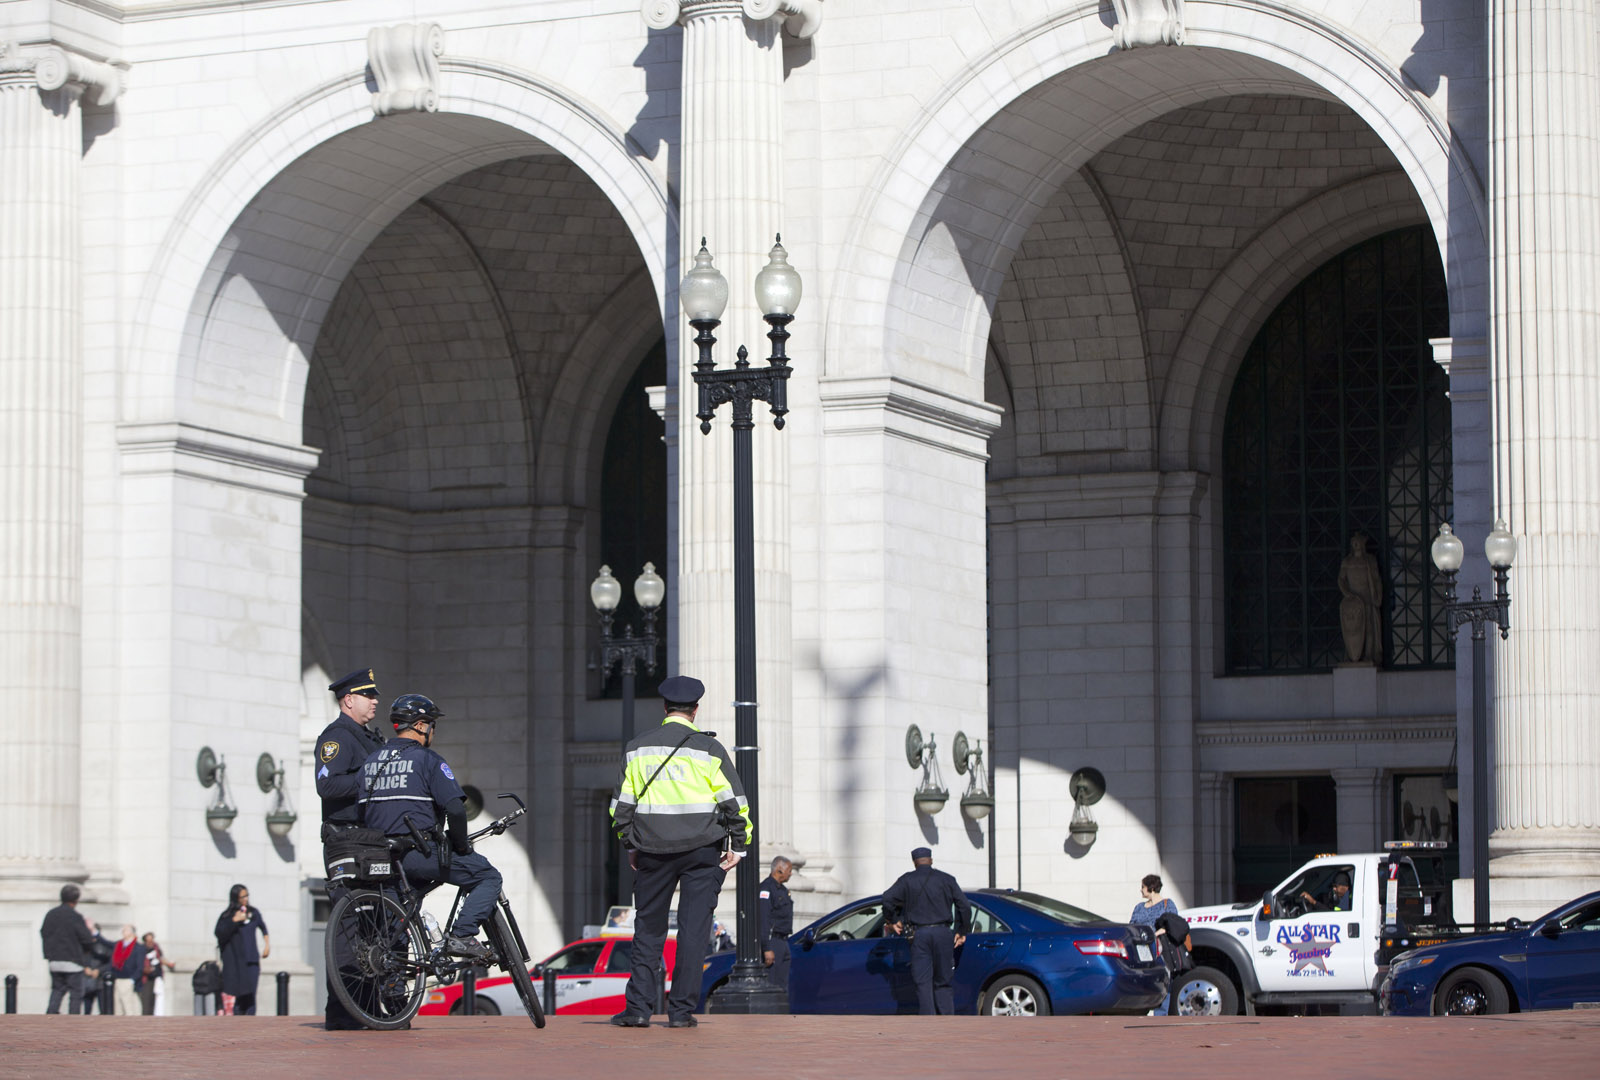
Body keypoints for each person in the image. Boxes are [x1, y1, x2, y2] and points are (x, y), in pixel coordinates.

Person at [608, 675, 751, 1029]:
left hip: (652, 851)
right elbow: (735, 803)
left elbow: (620, 808)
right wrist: (739, 845)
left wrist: (631, 844)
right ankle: (681, 1012)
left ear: (665, 707)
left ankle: (638, 1009)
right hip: (702, 851)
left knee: (648, 929)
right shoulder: (709, 749)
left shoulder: (637, 748)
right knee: (694, 930)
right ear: (695, 710)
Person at [357, 694, 502, 961]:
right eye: (432, 725)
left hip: (382, 858)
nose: (433, 731)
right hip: (418, 853)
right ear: (421, 726)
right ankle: (462, 935)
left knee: (398, 923)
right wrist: (461, 845)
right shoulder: (427, 760)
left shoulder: (370, 762)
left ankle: (395, 979)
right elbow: (455, 809)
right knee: (487, 876)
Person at [314, 666, 389, 1030]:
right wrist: (369, 779)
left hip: (372, 841)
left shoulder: (371, 738)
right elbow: (327, 786)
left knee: (376, 926)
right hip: (346, 840)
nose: (374, 701)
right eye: (367, 695)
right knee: (348, 926)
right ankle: (343, 1012)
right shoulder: (338, 737)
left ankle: (370, 1007)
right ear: (348, 701)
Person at [884, 847, 970, 1016]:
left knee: (923, 983)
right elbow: (964, 906)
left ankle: (928, 1023)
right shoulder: (947, 879)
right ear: (931, 860)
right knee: (943, 981)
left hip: (919, 935)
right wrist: (961, 930)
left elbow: (887, 898)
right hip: (943, 933)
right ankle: (947, 1021)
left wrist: (893, 920)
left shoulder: (907, 880)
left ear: (914, 862)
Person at [40, 883, 107, 1014]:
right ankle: (73, 1020)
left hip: (55, 960)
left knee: (57, 991)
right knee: (76, 993)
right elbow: (86, 938)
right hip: (72, 960)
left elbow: (44, 933)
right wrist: (88, 948)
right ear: (76, 900)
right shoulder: (74, 916)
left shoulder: (51, 914)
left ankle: (50, 1017)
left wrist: (49, 953)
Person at [214, 883, 269, 1014]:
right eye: (242, 897)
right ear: (235, 898)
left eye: (246, 896)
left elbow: (263, 928)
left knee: (250, 996)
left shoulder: (253, 913)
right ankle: (238, 1021)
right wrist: (235, 920)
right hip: (237, 963)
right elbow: (219, 932)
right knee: (239, 998)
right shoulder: (228, 915)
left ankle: (250, 1022)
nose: (245, 899)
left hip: (252, 960)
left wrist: (267, 945)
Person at [1129, 874, 1180, 1015]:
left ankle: (1161, 1014)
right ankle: (1141, 1010)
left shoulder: (1167, 904)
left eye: (1143, 887)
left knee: (1163, 980)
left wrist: (1154, 935)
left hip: (1161, 949)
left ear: (1151, 888)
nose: (1141, 890)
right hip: (1141, 950)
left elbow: (1172, 925)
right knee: (1142, 980)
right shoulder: (1139, 907)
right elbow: (1132, 925)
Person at [1338, 532, 1383, 663]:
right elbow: (1341, 579)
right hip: (1353, 601)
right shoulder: (1347, 562)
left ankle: (1368, 654)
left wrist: (1377, 595)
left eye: (1357, 541)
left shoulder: (1370, 560)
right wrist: (1347, 593)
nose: (1355, 544)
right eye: (1354, 542)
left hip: (1366, 598)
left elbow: (1376, 579)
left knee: (1369, 627)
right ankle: (1353, 653)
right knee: (1352, 628)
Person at [758, 856, 795, 993]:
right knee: (772, 984)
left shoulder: (783, 890)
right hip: (772, 941)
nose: (790, 874)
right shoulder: (766, 888)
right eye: (789, 870)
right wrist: (766, 947)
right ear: (779, 869)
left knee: (782, 986)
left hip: (783, 940)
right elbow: (764, 919)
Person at [108, 924, 148, 1015]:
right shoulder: (119, 945)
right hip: (118, 978)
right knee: (118, 1007)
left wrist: (132, 980)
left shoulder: (138, 947)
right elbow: (106, 943)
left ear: (132, 933)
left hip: (129, 980)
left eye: (125, 930)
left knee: (128, 1007)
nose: (123, 932)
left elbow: (140, 967)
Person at [138, 931, 176, 1015]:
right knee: (147, 1000)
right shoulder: (142, 949)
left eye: (152, 939)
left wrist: (169, 964)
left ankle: (153, 1016)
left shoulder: (156, 947)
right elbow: (139, 963)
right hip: (146, 978)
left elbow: (161, 958)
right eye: (148, 940)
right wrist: (146, 969)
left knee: (155, 999)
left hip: (157, 976)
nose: (150, 942)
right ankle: (146, 1017)